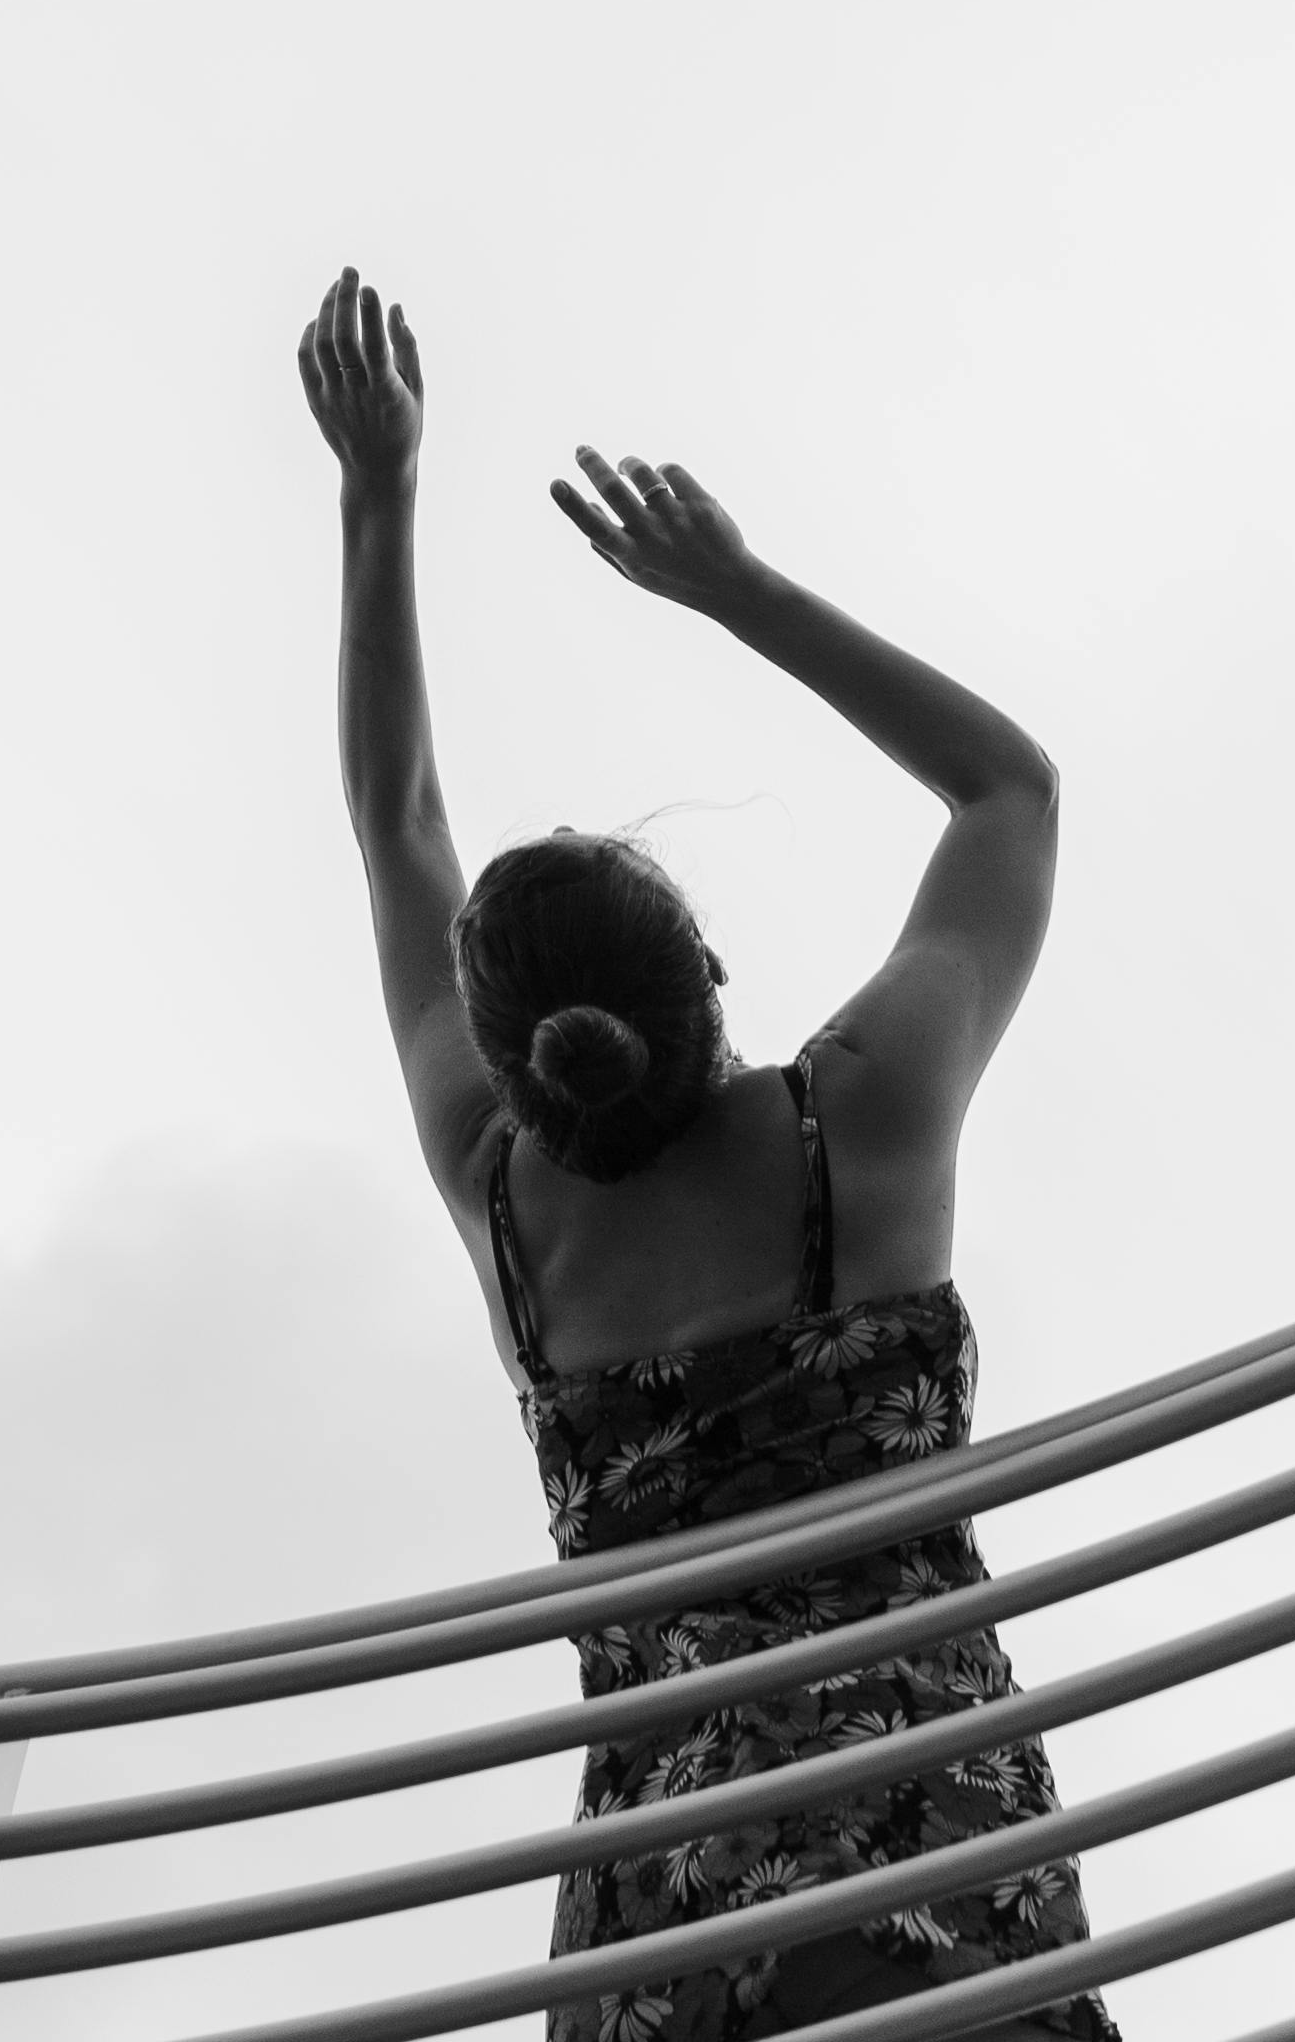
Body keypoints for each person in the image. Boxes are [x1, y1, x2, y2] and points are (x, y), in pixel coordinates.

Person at [296, 264, 1118, 2042]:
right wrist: (733, 590)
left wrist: (378, 496)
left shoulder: (506, 1203)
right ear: (711, 980)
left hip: (652, 1941)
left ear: (515, 1064)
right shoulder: (856, 1126)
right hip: (928, 1883)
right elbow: (1009, 795)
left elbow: (396, 827)